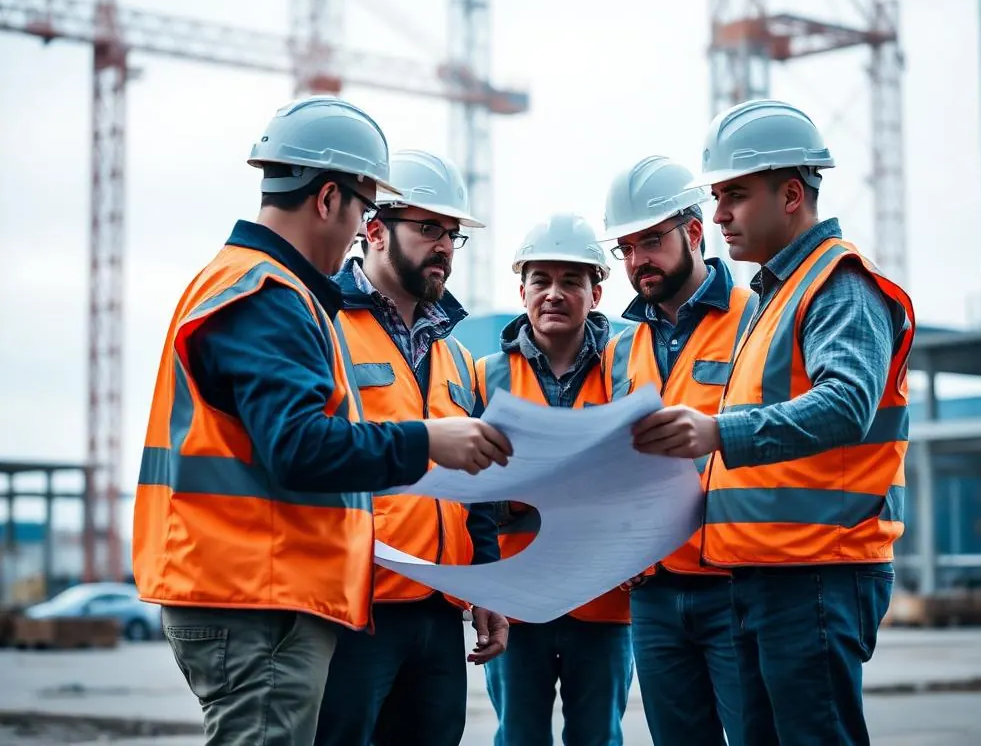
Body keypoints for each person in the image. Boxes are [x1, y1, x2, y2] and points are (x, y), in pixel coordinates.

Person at [132, 96, 512, 746]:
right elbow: (300, 446)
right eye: (366, 209)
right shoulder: (273, 295)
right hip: (259, 591)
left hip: (274, 588)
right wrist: (429, 440)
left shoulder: (264, 288)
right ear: (331, 199)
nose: (360, 226)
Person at [631, 98, 915, 746]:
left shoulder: (837, 283)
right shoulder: (775, 295)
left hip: (818, 572)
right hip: (768, 573)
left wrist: (717, 432)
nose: (719, 215)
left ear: (791, 194)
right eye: (717, 197)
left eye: (734, 195)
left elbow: (847, 404)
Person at [315, 149, 510, 746]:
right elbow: (308, 449)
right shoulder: (323, 324)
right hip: (353, 608)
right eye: (429, 228)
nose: (444, 246)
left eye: (452, 234)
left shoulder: (456, 355)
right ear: (375, 230)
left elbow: (475, 484)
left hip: (438, 610)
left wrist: (484, 586)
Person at [600, 156, 756, 746]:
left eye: (651, 241)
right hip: (654, 593)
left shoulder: (755, 319)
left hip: (736, 583)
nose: (637, 259)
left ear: (693, 232)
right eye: (626, 247)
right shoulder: (622, 349)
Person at [476, 214, 633, 746]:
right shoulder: (487, 377)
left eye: (571, 281)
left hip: (604, 600)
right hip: (516, 603)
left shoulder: (625, 370)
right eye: (540, 280)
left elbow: (643, 478)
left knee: (598, 737)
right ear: (522, 291)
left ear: (596, 292)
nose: (554, 293)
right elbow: (468, 487)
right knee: (519, 736)